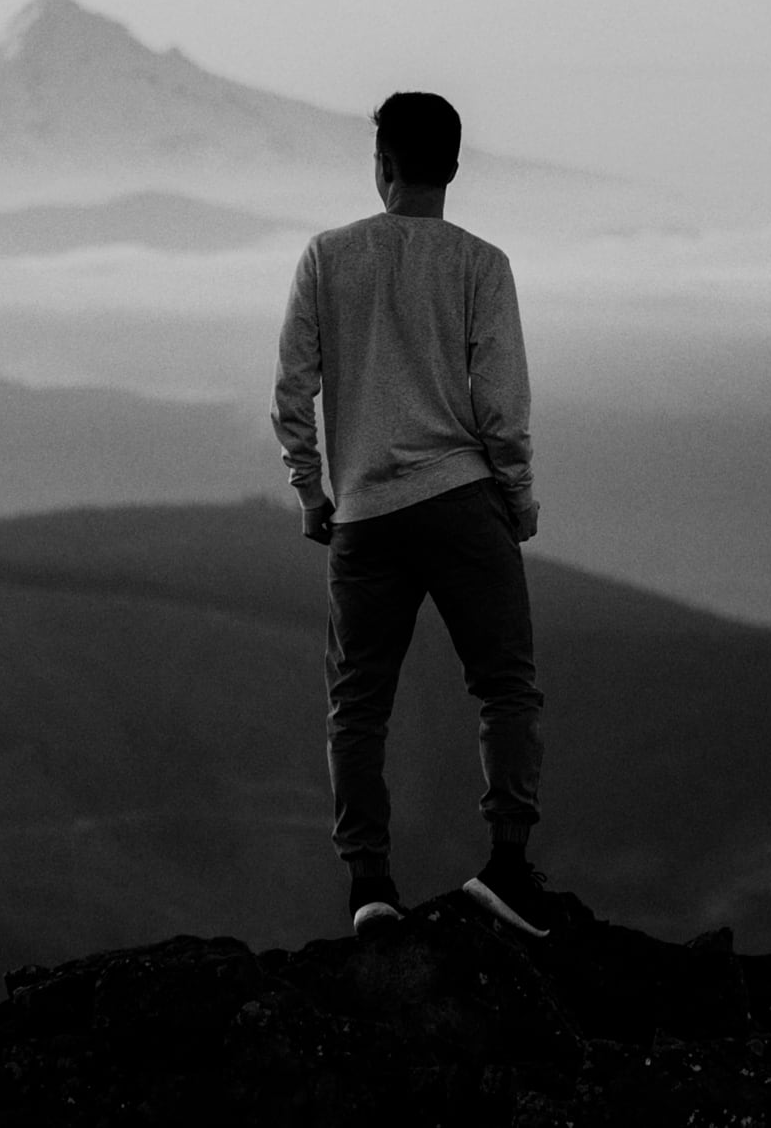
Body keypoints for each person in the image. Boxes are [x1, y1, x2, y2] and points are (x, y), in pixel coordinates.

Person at [271, 91, 555, 939]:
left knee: (358, 707)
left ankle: (369, 886)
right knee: (505, 686)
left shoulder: (328, 257)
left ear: (383, 164)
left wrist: (313, 491)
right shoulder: (480, 264)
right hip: (461, 499)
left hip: (363, 515)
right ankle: (506, 864)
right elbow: (502, 406)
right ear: (454, 167)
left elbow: (292, 390)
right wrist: (517, 499)